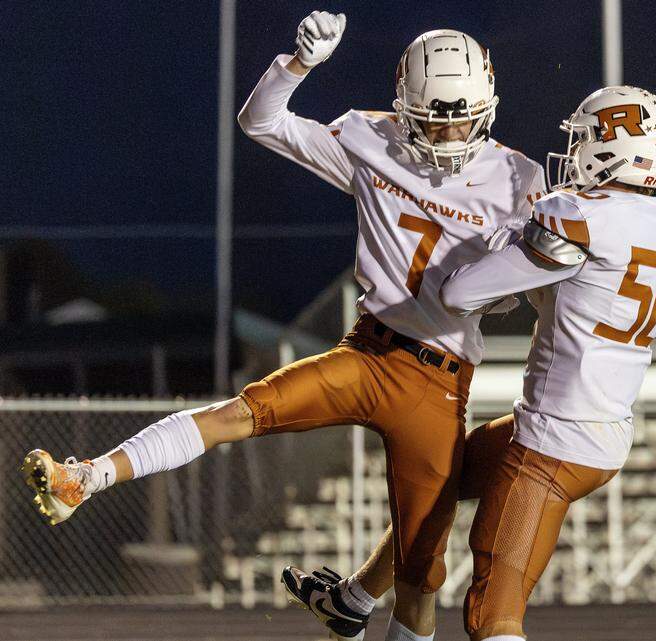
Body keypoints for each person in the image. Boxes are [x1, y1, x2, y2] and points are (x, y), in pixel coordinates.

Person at [22, 11, 543, 641]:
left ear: (486, 105)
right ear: (402, 104)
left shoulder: (522, 181)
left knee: (418, 573)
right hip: (368, 353)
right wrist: (297, 66)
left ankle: (357, 608)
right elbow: (260, 121)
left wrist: (501, 285)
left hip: (438, 381)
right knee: (242, 411)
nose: (449, 132)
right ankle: (87, 477)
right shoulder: (369, 138)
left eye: (461, 117)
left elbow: (526, 293)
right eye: (434, 118)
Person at [287, 85, 656, 641]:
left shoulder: (575, 215)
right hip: (601, 428)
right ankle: (353, 601)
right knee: (440, 485)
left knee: (490, 618)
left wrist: (507, 240)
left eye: (584, 138)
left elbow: (459, 294)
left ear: (612, 150)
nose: (573, 150)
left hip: (556, 441)